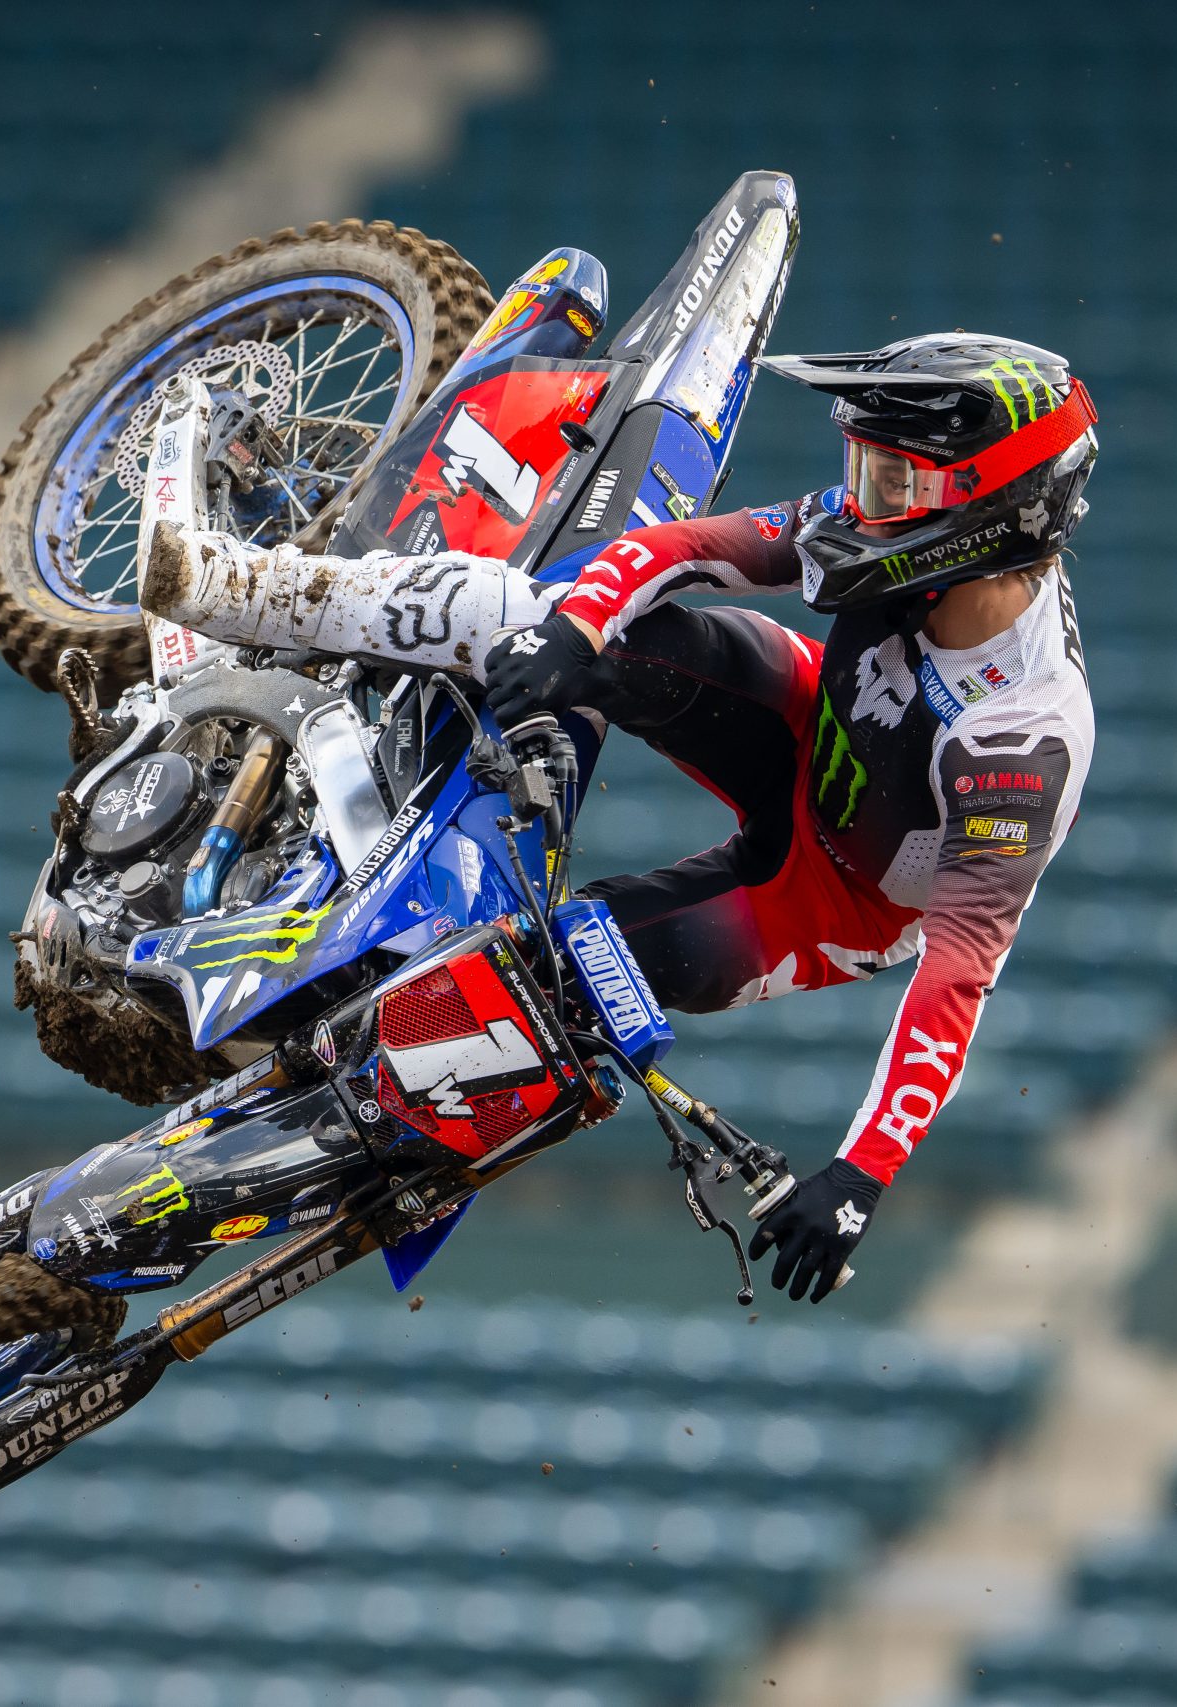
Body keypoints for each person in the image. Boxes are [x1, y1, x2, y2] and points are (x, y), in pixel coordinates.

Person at [146, 332, 1098, 1306]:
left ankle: (281, 1134)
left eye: (894, 481)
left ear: (986, 511)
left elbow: (957, 971)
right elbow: (688, 549)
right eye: (866, 466)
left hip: (832, 900)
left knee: (539, 987)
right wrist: (569, 632)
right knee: (567, 620)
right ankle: (239, 589)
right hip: (812, 719)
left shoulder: (1021, 742)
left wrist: (861, 1175)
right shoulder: (904, 532)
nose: (862, 499)